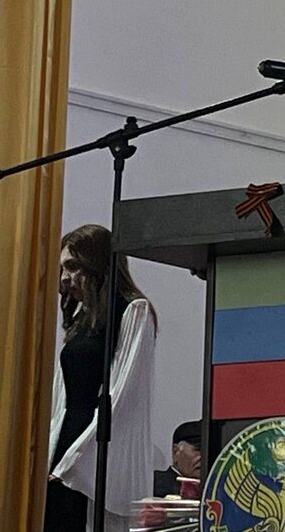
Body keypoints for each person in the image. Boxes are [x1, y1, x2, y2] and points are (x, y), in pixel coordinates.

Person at [45, 224, 158, 532]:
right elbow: (61, 398)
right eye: (62, 269)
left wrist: (73, 464)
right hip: (66, 443)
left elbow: (123, 397)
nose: (65, 278)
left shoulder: (133, 311)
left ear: (96, 263)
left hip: (94, 452)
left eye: (73, 266)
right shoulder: (82, 320)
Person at [153, 420, 202, 498]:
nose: (203, 457)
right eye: (198, 449)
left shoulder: (216, 488)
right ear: (176, 451)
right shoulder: (154, 485)